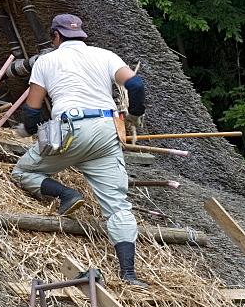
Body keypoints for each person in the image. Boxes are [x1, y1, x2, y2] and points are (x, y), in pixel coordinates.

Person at [11, 14, 149, 287]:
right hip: (108, 131)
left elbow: (33, 106)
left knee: (22, 170)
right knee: (118, 206)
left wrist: (28, 129)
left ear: (56, 36)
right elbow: (136, 85)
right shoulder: (106, 56)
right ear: (82, 36)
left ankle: (66, 194)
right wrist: (134, 113)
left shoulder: (46, 61)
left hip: (72, 129)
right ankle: (129, 275)